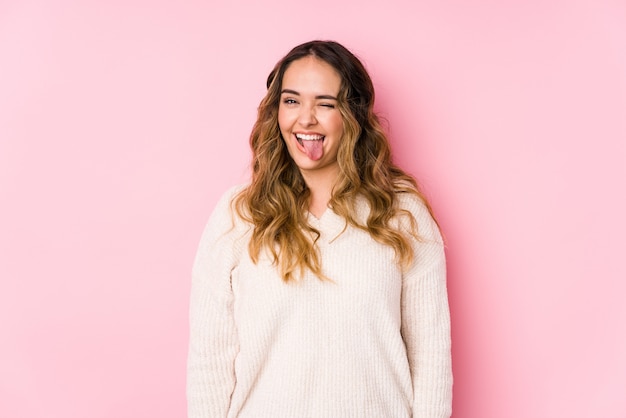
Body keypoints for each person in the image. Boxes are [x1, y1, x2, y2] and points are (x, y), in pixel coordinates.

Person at [187, 40, 452, 418]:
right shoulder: (238, 215)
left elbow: (431, 359)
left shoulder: (402, 214)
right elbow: (209, 364)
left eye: (325, 104)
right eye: (291, 101)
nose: (305, 119)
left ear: (354, 115)